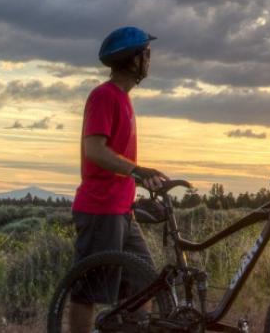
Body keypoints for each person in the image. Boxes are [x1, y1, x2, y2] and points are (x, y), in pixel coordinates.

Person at [69, 26, 169, 332]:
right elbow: (94, 151)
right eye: (147, 54)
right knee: (87, 292)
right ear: (133, 60)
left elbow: (114, 159)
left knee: (144, 285)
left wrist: (141, 179)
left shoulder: (124, 99)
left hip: (122, 209)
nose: (151, 60)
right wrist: (137, 170)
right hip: (101, 209)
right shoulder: (104, 96)